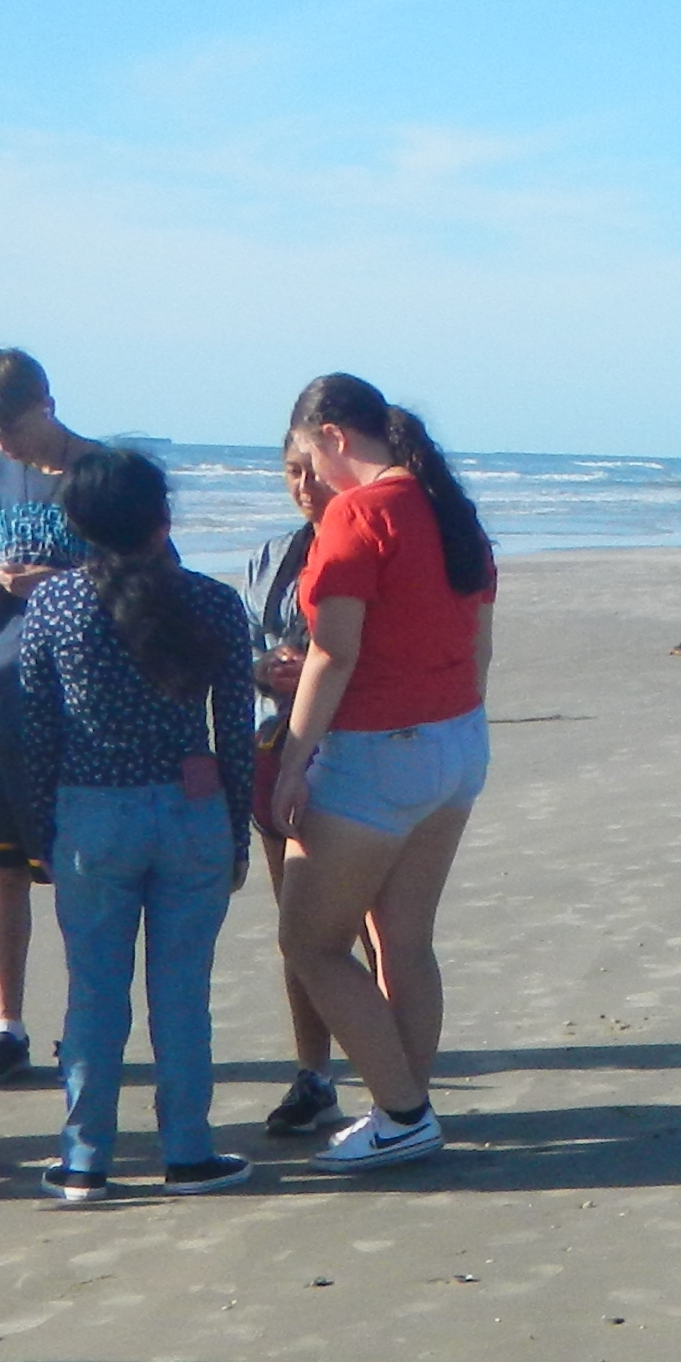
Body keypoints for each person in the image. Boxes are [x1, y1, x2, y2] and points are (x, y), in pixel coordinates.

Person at [0, 449, 258, 1204]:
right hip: (191, 807)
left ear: (75, 523)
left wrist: (41, 830)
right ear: (162, 519)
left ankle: (84, 1159)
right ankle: (187, 1151)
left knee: (93, 994)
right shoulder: (212, 602)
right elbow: (234, 731)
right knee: (182, 993)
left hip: (90, 813)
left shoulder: (53, 606)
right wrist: (237, 830)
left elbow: (36, 730)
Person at [266, 373, 492, 1176]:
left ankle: (401, 1113)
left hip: (378, 753)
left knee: (310, 941)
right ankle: (406, 1104)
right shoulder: (450, 508)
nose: (310, 480)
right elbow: (480, 645)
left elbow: (333, 650)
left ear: (331, 436)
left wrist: (295, 763)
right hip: (457, 742)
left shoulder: (359, 513)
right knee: (404, 938)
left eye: (306, 458)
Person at [0, 345, 90, 1086]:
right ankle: (8, 1024)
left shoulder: (102, 475)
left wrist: (59, 583)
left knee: (76, 867)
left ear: (46, 404)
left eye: (12, 427)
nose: (5, 445)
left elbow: (148, 577)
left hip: (75, 694)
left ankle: (83, 1020)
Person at [238, 435, 349, 1140]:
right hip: (276, 753)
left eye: (314, 470)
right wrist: (263, 668)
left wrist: (317, 666)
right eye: (291, 472)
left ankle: (399, 1079)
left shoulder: (371, 547)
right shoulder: (272, 557)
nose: (304, 484)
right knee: (297, 927)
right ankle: (314, 1074)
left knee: (375, 929)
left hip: (356, 753)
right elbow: (240, 639)